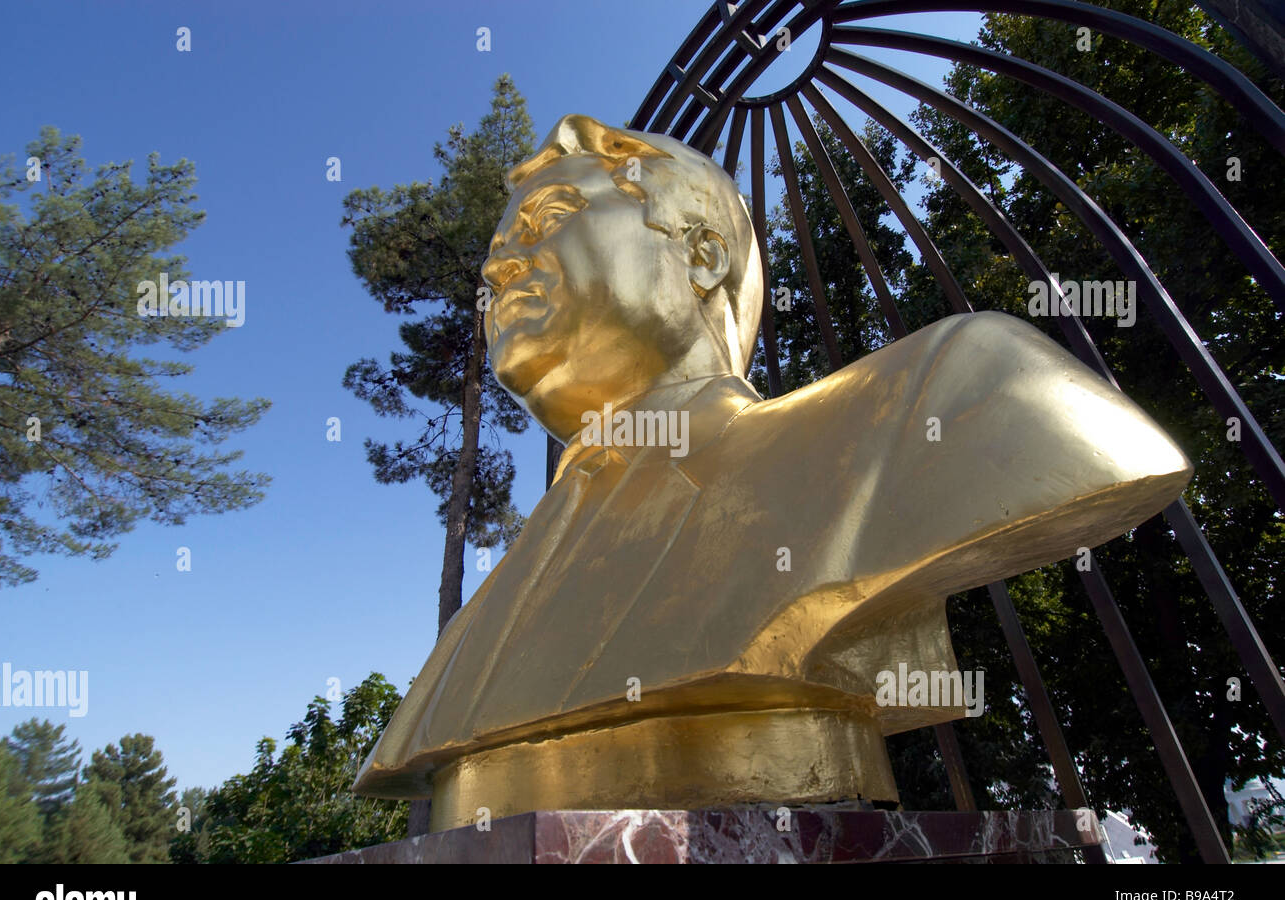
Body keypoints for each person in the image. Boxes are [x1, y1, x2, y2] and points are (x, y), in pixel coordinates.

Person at [353, 115, 1192, 832]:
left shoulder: (946, 393)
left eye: (548, 217)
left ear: (704, 254)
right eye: (497, 250)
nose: (499, 266)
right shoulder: (500, 597)